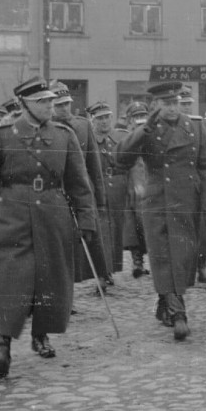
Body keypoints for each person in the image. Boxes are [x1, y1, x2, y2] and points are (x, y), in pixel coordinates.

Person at [0, 76, 97, 377]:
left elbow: (79, 184)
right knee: (6, 280)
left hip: (53, 217)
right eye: (43, 102)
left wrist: (86, 220)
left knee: (48, 279)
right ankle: (2, 344)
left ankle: (41, 335)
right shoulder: (1, 135)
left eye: (52, 101)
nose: (51, 106)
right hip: (8, 217)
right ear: (25, 104)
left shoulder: (65, 136)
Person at [115, 81, 206, 340]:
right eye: (166, 103)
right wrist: (142, 130)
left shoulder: (195, 127)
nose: (172, 108)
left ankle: (165, 302)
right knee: (163, 256)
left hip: (187, 201)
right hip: (157, 201)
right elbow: (122, 158)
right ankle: (178, 312)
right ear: (155, 105)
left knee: (182, 256)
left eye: (176, 102)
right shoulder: (147, 129)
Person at [50, 81, 111, 291]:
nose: (64, 109)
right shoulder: (47, 128)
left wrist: (100, 201)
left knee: (93, 238)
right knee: (62, 244)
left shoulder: (83, 125)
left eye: (67, 104)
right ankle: (65, 291)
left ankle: (102, 277)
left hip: (83, 191)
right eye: (59, 105)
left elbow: (95, 167)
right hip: (57, 193)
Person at [178, 86, 206, 284]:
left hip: (196, 188)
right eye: (182, 104)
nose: (186, 108)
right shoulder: (166, 126)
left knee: (203, 230)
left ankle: (202, 267)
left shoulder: (198, 125)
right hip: (175, 189)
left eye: (188, 104)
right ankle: (182, 270)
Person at [87, 101, 129, 277]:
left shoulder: (120, 138)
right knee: (102, 230)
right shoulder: (88, 140)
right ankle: (103, 273)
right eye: (100, 118)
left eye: (107, 117)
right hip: (98, 186)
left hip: (118, 187)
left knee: (116, 231)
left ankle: (112, 269)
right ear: (93, 120)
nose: (104, 122)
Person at [121, 102, 150, 279]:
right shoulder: (127, 138)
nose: (140, 120)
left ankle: (153, 261)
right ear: (130, 120)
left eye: (143, 116)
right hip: (132, 186)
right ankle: (137, 262)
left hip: (150, 185)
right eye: (136, 116)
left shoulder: (153, 136)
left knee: (150, 225)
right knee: (134, 226)